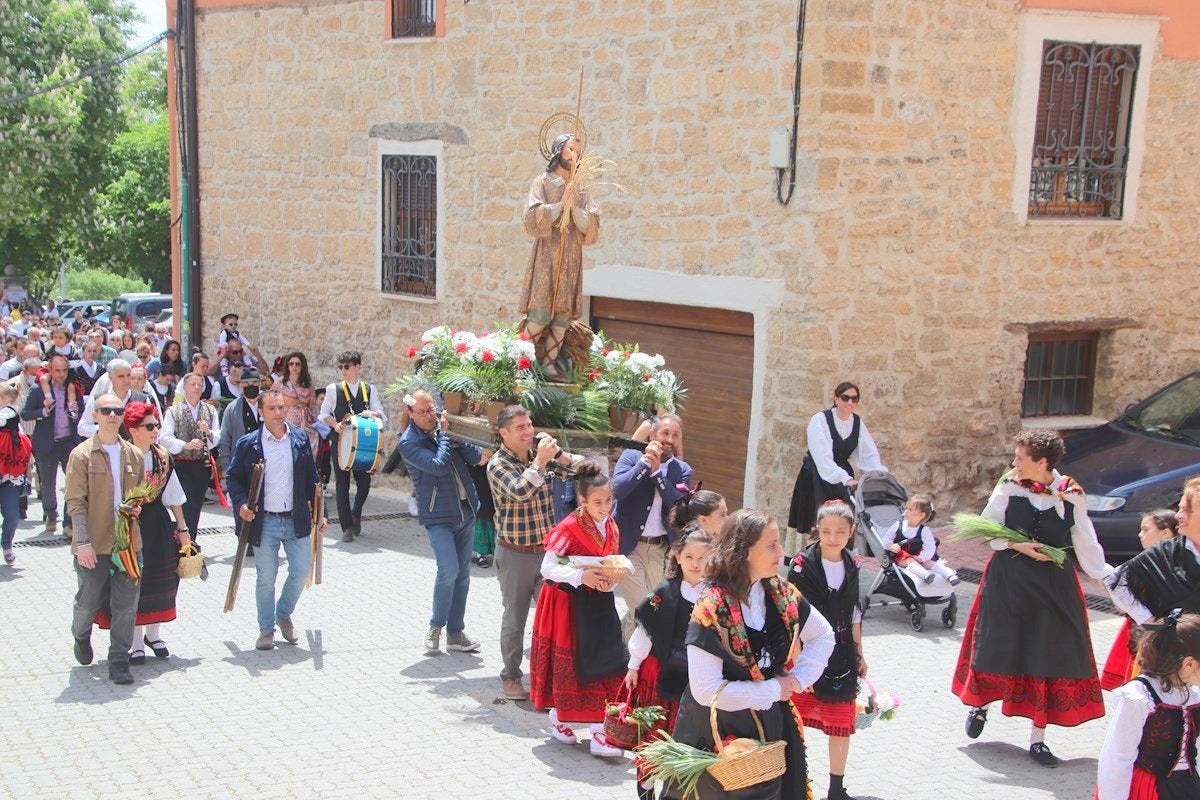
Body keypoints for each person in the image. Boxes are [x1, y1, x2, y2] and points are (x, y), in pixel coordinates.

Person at [952, 429, 1111, 767]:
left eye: (1021, 458)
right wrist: (1016, 544)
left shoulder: (1071, 495)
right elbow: (987, 526)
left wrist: (1109, 577)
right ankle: (980, 706)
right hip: (1008, 579)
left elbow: (1085, 541)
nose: (1014, 462)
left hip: (1053, 585)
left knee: (1045, 654)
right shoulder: (1010, 484)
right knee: (996, 643)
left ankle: (1038, 739)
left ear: (1042, 462)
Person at [657, 509, 835, 800]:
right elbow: (705, 690)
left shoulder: (781, 593)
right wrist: (773, 689)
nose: (781, 552)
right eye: (772, 545)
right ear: (744, 552)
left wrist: (800, 680)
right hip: (716, 734)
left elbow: (823, 635)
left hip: (771, 729)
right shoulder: (712, 606)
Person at [487, 404, 586, 701]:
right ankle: (511, 676)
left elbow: (582, 471)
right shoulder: (497, 464)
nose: (528, 431)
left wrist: (558, 455)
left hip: (546, 554)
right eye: (519, 427)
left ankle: (548, 678)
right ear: (503, 433)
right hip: (514, 554)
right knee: (515, 620)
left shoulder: (539, 457)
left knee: (553, 619)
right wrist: (541, 463)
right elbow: (520, 491)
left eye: (529, 425)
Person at [530, 461, 626, 757]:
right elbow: (548, 567)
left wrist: (611, 577)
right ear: (583, 501)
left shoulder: (611, 525)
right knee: (577, 666)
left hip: (599, 602)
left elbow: (608, 561)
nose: (605, 507)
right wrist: (580, 576)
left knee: (607, 660)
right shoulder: (569, 527)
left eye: (609, 500)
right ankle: (599, 734)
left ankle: (563, 719)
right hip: (569, 605)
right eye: (598, 502)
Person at [226, 390, 327, 651]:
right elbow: (234, 479)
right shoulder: (249, 444)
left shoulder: (300, 438)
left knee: (302, 569)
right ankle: (266, 630)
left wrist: (320, 513)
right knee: (265, 577)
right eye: (272, 408)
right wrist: (241, 505)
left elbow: (312, 478)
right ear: (261, 412)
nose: (278, 412)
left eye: (281, 407)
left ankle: (283, 612)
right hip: (265, 521)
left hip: (296, 519)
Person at [94, 402, 190, 664]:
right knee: (134, 581)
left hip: (157, 522)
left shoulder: (163, 457)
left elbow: (174, 496)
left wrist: (182, 528)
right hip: (129, 523)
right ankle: (135, 642)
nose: (155, 430)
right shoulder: (122, 456)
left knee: (163, 579)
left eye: (157, 425)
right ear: (133, 430)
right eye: (149, 426)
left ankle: (153, 634)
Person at [626, 524, 714, 800]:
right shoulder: (665, 592)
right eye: (689, 557)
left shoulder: (716, 595)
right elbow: (646, 630)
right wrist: (633, 664)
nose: (696, 564)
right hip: (661, 675)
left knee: (687, 745)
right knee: (654, 739)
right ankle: (646, 791)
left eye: (702, 558)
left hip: (698, 681)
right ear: (677, 556)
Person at [788, 501, 867, 800]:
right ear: (817, 531)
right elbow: (791, 614)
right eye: (826, 531)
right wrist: (797, 661)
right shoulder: (801, 565)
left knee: (841, 724)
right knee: (794, 723)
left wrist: (860, 654)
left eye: (840, 532)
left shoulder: (853, 564)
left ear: (851, 532)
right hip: (806, 650)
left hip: (842, 655)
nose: (833, 537)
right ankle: (795, 784)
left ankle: (836, 789)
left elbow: (854, 612)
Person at [64, 392, 145, 685]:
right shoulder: (82, 454)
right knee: (88, 600)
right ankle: (81, 634)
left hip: (127, 543)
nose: (112, 415)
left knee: (126, 604)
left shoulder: (134, 454)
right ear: (95, 415)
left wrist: (135, 507)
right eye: (105, 410)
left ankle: (119, 661)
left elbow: (139, 496)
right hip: (94, 543)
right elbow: (75, 502)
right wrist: (82, 542)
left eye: (117, 410)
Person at [398, 390, 485, 655]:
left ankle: (455, 633)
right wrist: (447, 437)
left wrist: (457, 436)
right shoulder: (408, 442)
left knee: (463, 576)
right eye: (422, 412)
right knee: (448, 569)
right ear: (410, 414)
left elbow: (475, 457)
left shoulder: (443, 431)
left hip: (465, 511)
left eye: (431, 410)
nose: (429, 417)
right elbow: (437, 465)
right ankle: (436, 626)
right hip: (438, 516)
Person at [520, 133, 601, 378]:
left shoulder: (581, 189)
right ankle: (521, 361)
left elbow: (593, 224)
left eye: (577, 150)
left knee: (563, 315)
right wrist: (558, 206)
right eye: (569, 149)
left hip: (570, 257)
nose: (574, 155)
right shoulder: (543, 182)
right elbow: (531, 217)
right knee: (540, 311)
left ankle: (549, 363)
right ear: (558, 152)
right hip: (548, 255)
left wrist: (574, 208)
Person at [1096, 612, 1200, 800]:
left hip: (1187, 787)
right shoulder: (1138, 697)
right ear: (1189, 664)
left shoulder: (1192, 694)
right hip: (1148, 790)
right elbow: (1118, 757)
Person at [612, 414, 692, 637]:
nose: (669, 439)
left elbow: (678, 505)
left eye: (675, 435)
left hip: (660, 550)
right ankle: (633, 663)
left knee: (644, 611)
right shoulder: (631, 456)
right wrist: (644, 465)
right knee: (646, 610)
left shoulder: (682, 470)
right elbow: (617, 490)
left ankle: (622, 654)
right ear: (652, 435)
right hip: (629, 548)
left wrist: (657, 474)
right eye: (665, 433)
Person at [787, 382, 887, 544]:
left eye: (854, 399)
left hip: (842, 479)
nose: (849, 403)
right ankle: (806, 562)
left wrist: (877, 474)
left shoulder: (856, 423)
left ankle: (840, 560)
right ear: (836, 399)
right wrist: (844, 478)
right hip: (816, 476)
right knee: (815, 517)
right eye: (845, 398)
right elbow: (822, 457)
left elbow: (868, 454)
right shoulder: (820, 420)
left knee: (843, 517)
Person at [1101, 510, 1180, 692]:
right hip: (1143, 629)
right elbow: (1115, 585)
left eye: (1145, 529)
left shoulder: (1169, 561)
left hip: (1156, 631)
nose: (1140, 535)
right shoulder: (1146, 561)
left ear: (1165, 533)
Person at [1107, 478, 1200, 626]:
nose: (1178, 516)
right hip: (1180, 646)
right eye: (1179, 509)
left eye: (1186, 510)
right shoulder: (1163, 553)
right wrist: (1149, 621)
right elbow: (1116, 582)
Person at [318, 350, 386, 542]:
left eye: (346, 367)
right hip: (340, 442)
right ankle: (346, 527)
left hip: (363, 443)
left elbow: (382, 414)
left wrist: (374, 413)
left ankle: (356, 514)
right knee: (342, 483)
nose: (343, 371)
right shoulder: (333, 389)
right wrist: (335, 425)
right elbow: (323, 414)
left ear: (357, 367)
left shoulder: (369, 389)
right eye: (340, 367)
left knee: (364, 483)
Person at [21, 355, 80, 534]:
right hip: (47, 444)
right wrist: (43, 412)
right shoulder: (39, 390)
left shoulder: (72, 388)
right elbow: (25, 413)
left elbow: (81, 410)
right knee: (48, 484)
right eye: (57, 371)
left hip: (69, 442)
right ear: (50, 371)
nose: (61, 374)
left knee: (72, 483)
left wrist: (75, 412)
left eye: (64, 370)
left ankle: (68, 522)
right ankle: (50, 514)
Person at [160, 373, 220, 538]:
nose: (196, 388)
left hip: (202, 465)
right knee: (185, 505)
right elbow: (164, 437)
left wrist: (208, 433)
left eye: (199, 384)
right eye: (192, 384)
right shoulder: (174, 411)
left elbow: (217, 435)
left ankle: (189, 544)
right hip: (181, 466)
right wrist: (184, 445)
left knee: (196, 507)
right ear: (184, 387)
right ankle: (186, 544)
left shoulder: (210, 410)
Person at [881, 494, 960, 586]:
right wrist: (890, 545)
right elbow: (886, 538)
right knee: (909, 561)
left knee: (929, 563)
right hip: (900, 556)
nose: (906, 511)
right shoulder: (898, 525)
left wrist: (921, 557)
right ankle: (925, 575)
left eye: (910, 510)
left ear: (921, 515)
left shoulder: (924, 531)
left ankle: (949, 575)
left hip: (918, 556)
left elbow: (930, 547)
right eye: (906, 508)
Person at [0, 387, 32, 566]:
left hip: (9, 477)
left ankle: (6, 544)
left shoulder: (10, 413)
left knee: (11, 515)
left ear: (4, 398)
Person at [78, 360, 149, 437]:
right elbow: (82, 428)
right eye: (121, 376)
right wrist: (105, 428)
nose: (126, 380)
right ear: (110, 378)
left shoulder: (142, 399)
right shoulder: (98, 399)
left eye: (128, 375)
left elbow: (151, 427)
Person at [218, 368, 264, 474]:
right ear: (240, 386)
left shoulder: (268, 404)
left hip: (266, 461)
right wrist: (226, 466)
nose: (250, 386)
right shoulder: (232, 408)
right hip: (241, 463)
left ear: (260, 384)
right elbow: (225, 439)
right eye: (246, 383)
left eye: (254, 382)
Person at [273, 351, 319, 449]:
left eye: (297, 364)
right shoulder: (280, 383)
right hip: (286, 423)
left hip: (306, 423)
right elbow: (271, 401)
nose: (294, 366)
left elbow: (313, 406)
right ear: (287, 366)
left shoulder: (308, 383)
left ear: (302, 366)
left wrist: (318, 423)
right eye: (291, 364)